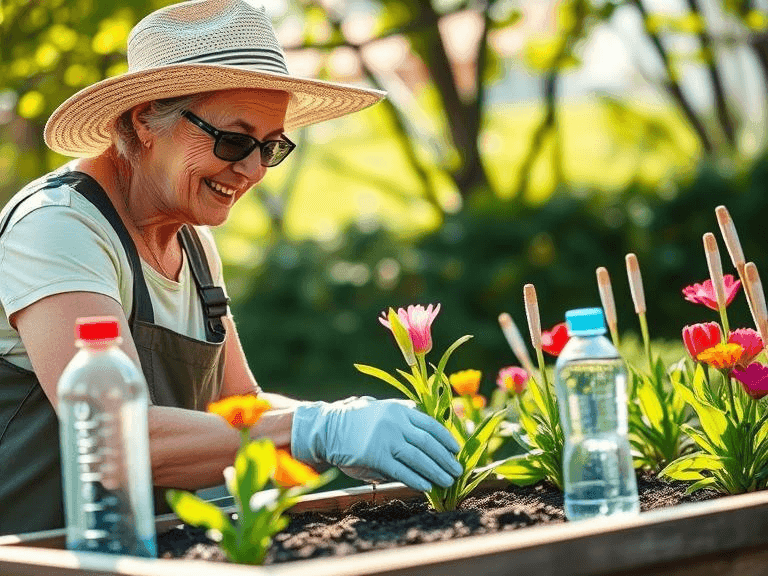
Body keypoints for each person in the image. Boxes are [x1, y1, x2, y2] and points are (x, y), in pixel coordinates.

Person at [0, 0, 463, 536]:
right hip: (36, 553)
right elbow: (114, 439)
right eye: (233, 140)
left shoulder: (191, 239)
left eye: (271, 147)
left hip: (151, 547)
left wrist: (342, 421)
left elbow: (237, 405)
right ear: (144, 119)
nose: (252, 170)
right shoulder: (60, 228)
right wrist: (317, 430)